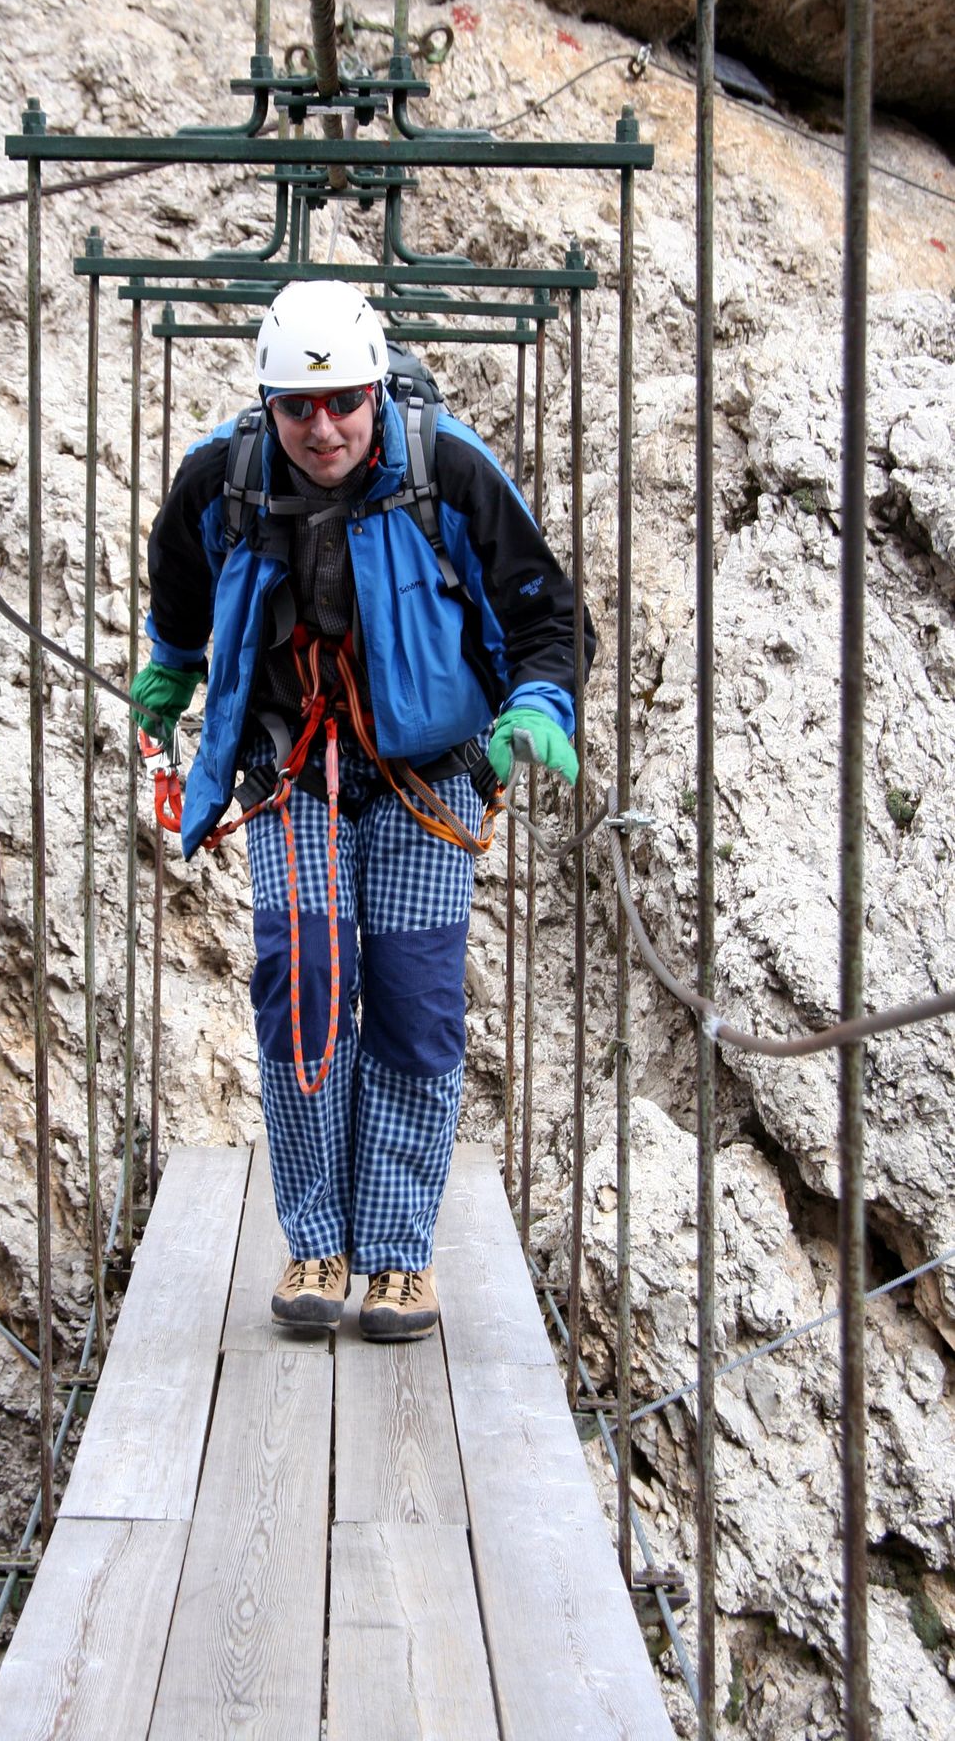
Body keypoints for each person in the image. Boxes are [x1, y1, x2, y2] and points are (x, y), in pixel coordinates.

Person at [131, 280, 591, 1341]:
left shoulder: (449, 470)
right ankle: (316, 1241)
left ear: (375, 390)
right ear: (269, 403)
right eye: (297, 406)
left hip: (426, 775)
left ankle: (396, 1255)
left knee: (413, 1002)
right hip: (289, 764)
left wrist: (536, 704)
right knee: (302, 985)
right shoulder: (224, 476)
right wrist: (173, 662)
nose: (322, 427)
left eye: (342, 400)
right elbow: (179, 575)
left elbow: (545, 613)